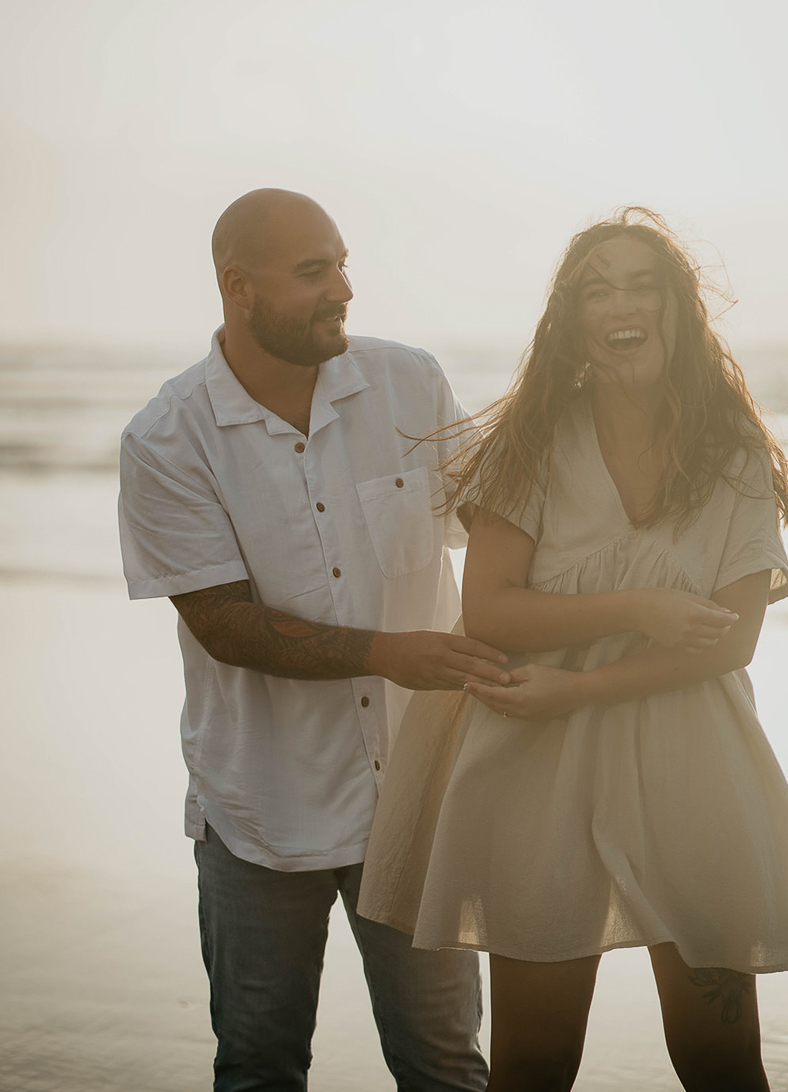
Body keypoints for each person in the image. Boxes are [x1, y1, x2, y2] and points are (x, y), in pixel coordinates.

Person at [358, 207, 788, 1092]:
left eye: (644, 283)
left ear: (678, 311)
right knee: (533, 1064)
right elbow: (488, 611)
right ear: (572, 322)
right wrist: (641, 607)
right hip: (536, 762)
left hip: (689, 759)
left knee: (721, 1060)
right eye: (596, 288)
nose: (623, 301)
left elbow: (733, 640)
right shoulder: (530, 445)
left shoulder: (730, 455)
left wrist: (584, 686)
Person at [117, 187, 506, 1092]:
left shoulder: (409, 382)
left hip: (417, 797)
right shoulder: (168, 438)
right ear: (237, 287)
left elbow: (499, 530)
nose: (344, 287)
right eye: (313, 270)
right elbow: (225, 624)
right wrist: (389, 652)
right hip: (260, 810)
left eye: (340, 261)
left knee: (447, 1066)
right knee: (258, 1067)